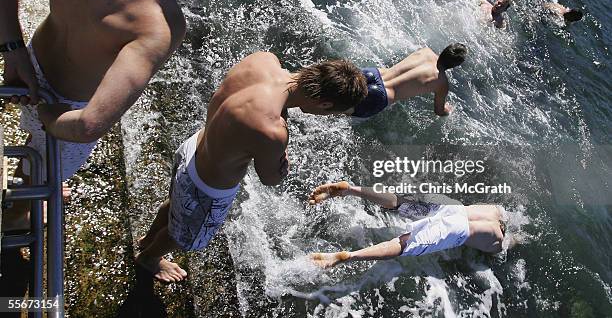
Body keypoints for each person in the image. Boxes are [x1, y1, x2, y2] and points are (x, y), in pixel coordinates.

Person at [0, 0, 257, 230]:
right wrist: (48, 117)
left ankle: (31, 173)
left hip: (30, 65)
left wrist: (12, 50)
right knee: (42, 171)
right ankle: (16, 213)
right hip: (64, 106)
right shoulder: (160, 24)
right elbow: (89, 125)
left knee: (34, 152)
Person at [135, 52, 368, 282]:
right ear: (325, 103)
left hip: (191, 149)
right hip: (206, 187)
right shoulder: (273, 130)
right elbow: (270, 178)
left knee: (175, 202)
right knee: (184, 236)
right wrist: (280, 161)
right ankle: (149, 257)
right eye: (331, 112)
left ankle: (148, 239)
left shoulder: (263, 60)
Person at [308, 181, 504, 268]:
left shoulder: (494, 210)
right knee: (404, 245)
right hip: (457, 229)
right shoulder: (497, 241)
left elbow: (505, 215)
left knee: (399, 202)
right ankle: (349, 256)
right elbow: (500, 248)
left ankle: (350, 189)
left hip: (453, 207)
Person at [349, 44, 467, 119]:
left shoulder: (425, 51)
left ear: (445, 50)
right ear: (455, 65)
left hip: (374, 74)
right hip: (380, 95)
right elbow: (439, 111)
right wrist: (448, 111)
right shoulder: (442, 83)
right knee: (336, 112)